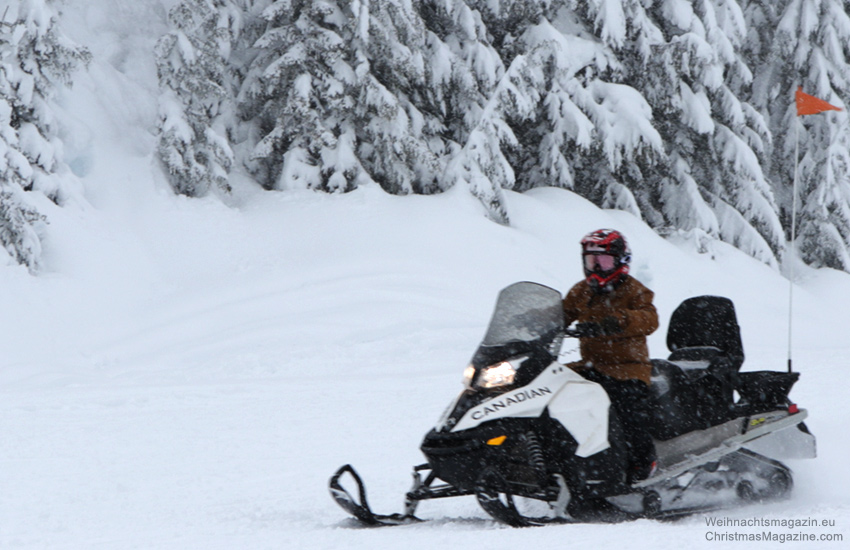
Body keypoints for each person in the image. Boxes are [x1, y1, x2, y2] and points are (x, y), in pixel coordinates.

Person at [562, 228, 658, 486]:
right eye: (591, 260)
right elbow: (561, 311)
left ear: (620, 261)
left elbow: (649, 319)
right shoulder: (582, 291)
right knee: (552, 388)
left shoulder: (635, 291)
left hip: (626, 369)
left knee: (625, 408)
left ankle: (642, 463)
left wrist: (618, 321)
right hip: (590, 366)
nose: (596, 267)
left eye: (603, 260)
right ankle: (560, 458)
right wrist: (535, 322)